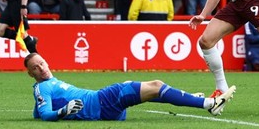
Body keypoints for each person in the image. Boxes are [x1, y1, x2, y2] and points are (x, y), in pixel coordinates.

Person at [24, 52, 236, 121]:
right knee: (156, 85)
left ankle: (190, 97)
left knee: (149, 88)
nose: (42, 68)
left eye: (42, 63)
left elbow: (38, 112)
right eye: (36, 68)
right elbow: (45, 115)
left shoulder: (45, 86)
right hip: (102, 102)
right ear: (30, 73)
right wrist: (62, 111)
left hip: (104, 107)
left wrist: (56, 109)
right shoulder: (42, 87)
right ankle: (209, 103)